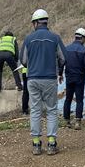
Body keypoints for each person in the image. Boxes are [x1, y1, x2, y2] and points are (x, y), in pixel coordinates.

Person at [20, 9, 66, 156]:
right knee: (51, 110)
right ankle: (52, 143)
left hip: (33, 79)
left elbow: (23, 61)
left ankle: (36, 144)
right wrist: (58, 69)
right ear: (46, 22)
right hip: (49, 79)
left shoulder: (28, 39)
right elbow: (64, 58)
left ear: (35, 23)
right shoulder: (55, 38)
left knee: (35, 110)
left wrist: (33, 65)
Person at [63, 27, 85, 130]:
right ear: (83, 38)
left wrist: (59, 74)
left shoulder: (66, 49)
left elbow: (62, 62)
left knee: (68, 99)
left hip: (69, 77)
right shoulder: (84, 50)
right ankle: (77, 122)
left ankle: (67, 121)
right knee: (79, 100)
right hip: (80, 78)